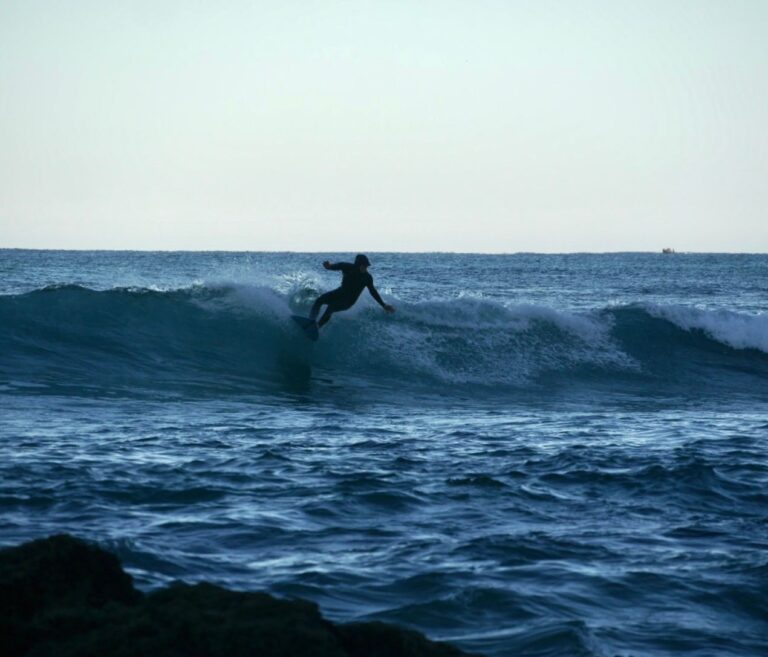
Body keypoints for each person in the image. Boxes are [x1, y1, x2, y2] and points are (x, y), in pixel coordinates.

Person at [309, 254, 395, 328]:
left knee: (331, 307)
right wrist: (329, 267)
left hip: (348, 301)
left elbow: (373, 292)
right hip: (339, 293)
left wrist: (383, 305)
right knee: (319, 300)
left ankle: (318, 326)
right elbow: (336, 266)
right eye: (364, 266)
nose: (365, 268)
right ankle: (311, 320)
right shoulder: (347, 267)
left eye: (366, 266)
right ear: (357, 265)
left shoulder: (367, 278)